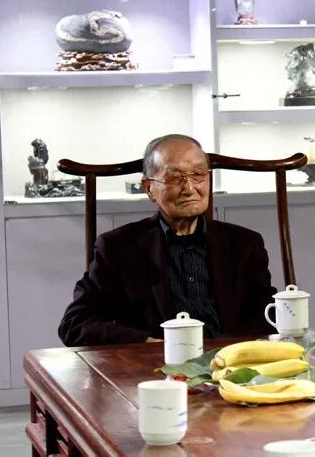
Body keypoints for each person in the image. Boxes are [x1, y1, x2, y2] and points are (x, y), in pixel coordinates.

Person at [58, 134, 277, 346]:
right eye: (175, 177)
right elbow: (74, 324)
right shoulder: (118, 247)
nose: (189, 188)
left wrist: (224, 349)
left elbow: (268, 315)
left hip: (230, 362)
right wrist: (146, 344)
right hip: (154, 365)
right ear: (149, 188)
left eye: (198, 174)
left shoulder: (244, 244)